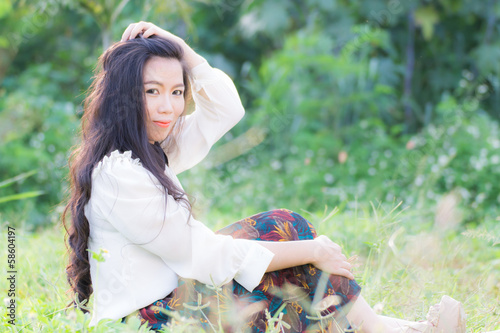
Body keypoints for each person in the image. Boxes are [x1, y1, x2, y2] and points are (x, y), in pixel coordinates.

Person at [62, 21, 469, 333]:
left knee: (284, 244)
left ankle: (391, 327)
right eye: (151, 91)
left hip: (174, 301)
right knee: (285, 230)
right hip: (156, 320)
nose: (167, 106)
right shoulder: (120, 173)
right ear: (125, 95)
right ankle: (392, 328)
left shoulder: (150, 149)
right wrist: (312, 250)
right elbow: (205, 255)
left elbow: (226, 108)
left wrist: (183, 51)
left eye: (175, 91)